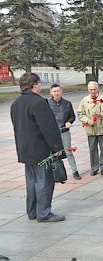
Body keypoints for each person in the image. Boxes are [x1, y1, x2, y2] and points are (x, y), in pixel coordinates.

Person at [11, 73, 65, 223]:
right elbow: (48, 128)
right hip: (41, 151)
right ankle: (44, 213)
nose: (41, 86)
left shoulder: (16, 103)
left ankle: (32, 211)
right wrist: (57, 148)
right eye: (39, 83)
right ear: (34, 84)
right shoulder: (39, 103)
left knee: (31, 182)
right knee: (44, 182)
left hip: (25, 150)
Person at [48, 84, 81, 180]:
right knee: (52, 153)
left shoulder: (67, 103)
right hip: (52, 132)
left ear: (61, 91)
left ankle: (75, 171)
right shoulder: (47, 103)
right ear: (51, 92)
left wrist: (69, 122)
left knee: (68, 151)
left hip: (64, 131)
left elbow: (72, 116)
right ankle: (52, 172)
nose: (56, 93)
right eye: (54, 91)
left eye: (58, 91)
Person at [77, 81, 103, 176]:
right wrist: (87, 120)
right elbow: (80, 113)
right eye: (91, 90)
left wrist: (101, 115)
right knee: (92, 148)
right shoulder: (85, 100)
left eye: (94, 89)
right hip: (91, 129)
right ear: (88, 90)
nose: (93, 91)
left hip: (102, 128)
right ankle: (94, 167)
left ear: (97, 89)